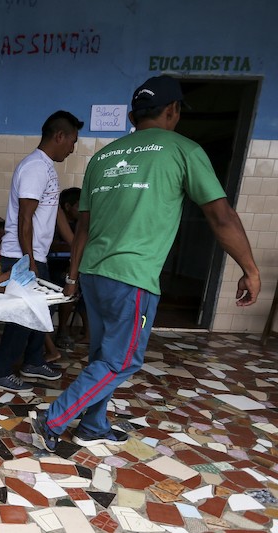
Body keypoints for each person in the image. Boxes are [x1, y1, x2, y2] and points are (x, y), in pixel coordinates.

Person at [32, 75, 260, 452]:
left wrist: (73, 277)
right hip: (131, 277)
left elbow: (83, 228)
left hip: (94, 274)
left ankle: (93, 424)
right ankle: (54, 419)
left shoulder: (102, 158)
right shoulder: (183, 149)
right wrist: (250, 269)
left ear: (132, 115)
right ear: (172, 111)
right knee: (122, 361)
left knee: (104, 356)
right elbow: (221, 218)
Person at [0, 111, 84, 393]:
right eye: (73, 141)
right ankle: (0, 371)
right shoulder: (34, 167)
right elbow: (25, 217)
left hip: (32, 256)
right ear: (59, 136)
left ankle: (32, 361)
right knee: (23, 317)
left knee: (40, 313)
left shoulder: (46, 168)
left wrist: (77, 245)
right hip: (22, 257)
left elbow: (55, 215)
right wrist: (28, 260)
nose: (72, 148)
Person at [48, 187, 89, 348]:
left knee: (88, 289)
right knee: (68, 287)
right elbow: (53, 245)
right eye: (79, 205)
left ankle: (88, 333)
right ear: (67, 206)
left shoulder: (83, 223)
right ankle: (62, 331)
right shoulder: (54, 221)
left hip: (75, 270)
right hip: (55, 269)